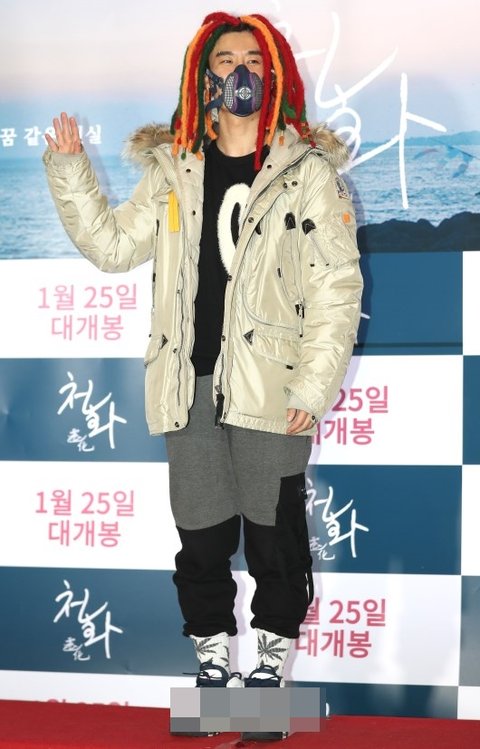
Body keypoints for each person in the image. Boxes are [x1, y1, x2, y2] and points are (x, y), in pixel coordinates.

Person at [44, 10, 363, 741]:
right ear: (202, 75)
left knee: (276, 539)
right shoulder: (172, 170)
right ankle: (214, 675)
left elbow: (337, 289)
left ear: (273, 73)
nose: (239, 71)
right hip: (187, 389)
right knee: (201, 538)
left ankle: (268, 681)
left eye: (253, 58)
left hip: (273, 389)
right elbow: (112, 245)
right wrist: (71, 170)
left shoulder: (308, 173)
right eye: (225, 59)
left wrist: (312, 388)